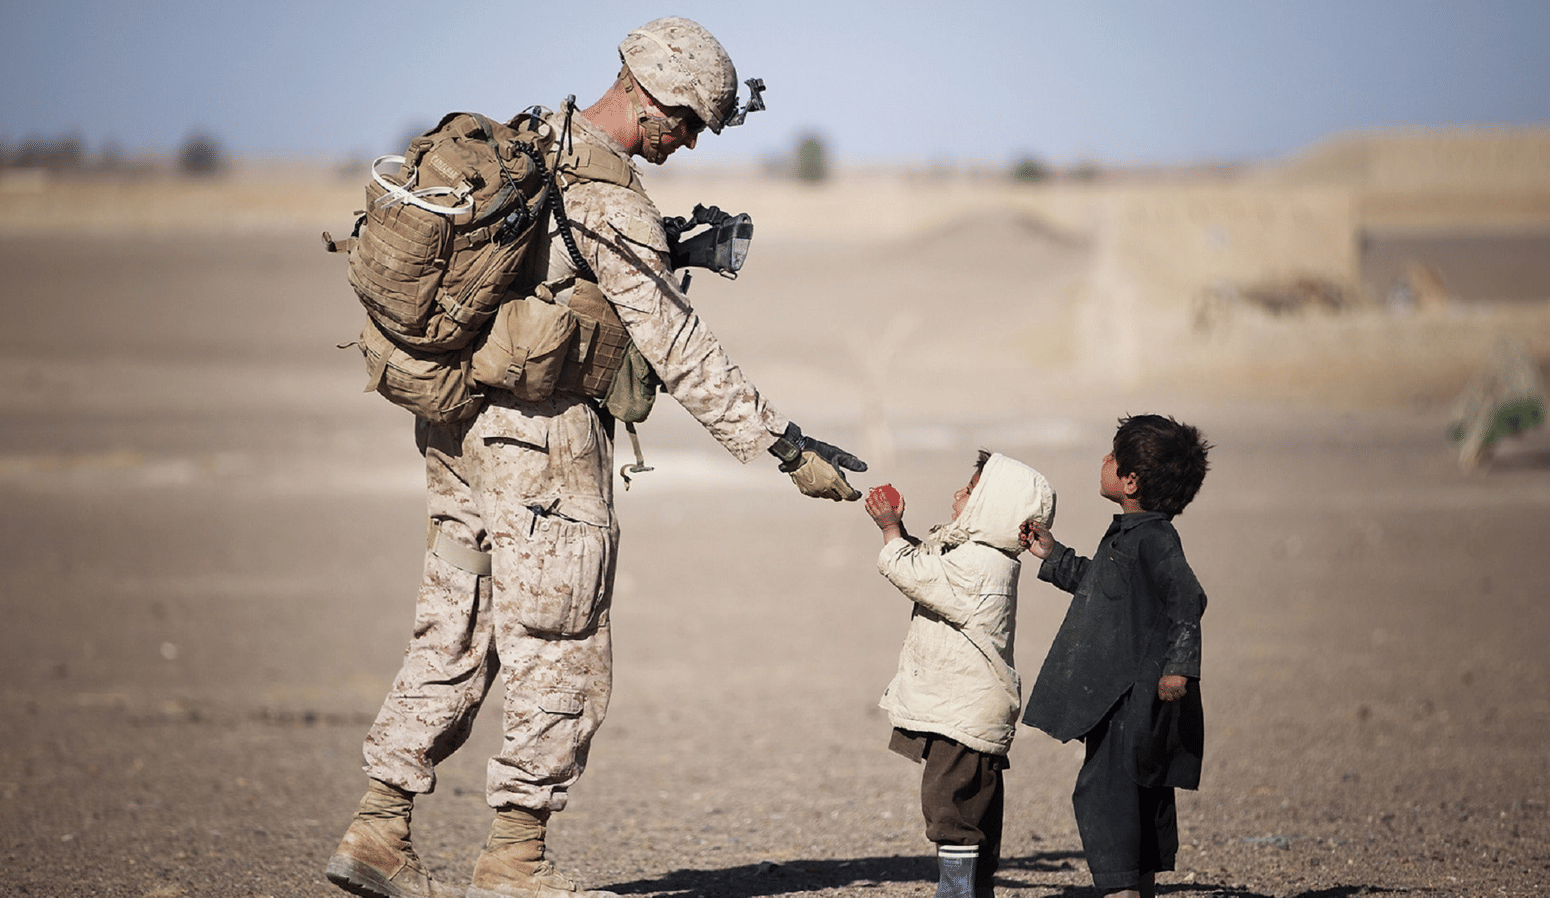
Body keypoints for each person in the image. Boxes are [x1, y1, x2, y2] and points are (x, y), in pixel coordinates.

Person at [325, 17, 867, 898]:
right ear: (648, 97)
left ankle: (378, 828)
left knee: (453, 627)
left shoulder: (535, 145)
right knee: (561, 644)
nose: (685, 145)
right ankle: (514, 865)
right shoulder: (608, 199)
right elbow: (678, 343)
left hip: (460, 432)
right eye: (687, 124)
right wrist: (781, 445)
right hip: (543, 446)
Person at [1019, 414, 1212, 898]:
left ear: (1130, 481)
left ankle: (1121, 890)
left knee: (1108, 796)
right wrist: (1054, 555)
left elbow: (1188, 598)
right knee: (1133, 794)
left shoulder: (1154, 539)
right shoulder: (1131, 534)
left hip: (1134, 698)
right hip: (1119, 697)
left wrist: (1179, 668)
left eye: (1112, 455)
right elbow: (1103, 589)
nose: (1103, 460)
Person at [863, 452, 1057, 898]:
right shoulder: (982, 557)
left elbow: (915, 573)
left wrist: (890, 531)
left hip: (963, 714)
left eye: (970, 491)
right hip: (969, 709)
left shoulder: (981, 565)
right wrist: (903, 532)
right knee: (975, 806)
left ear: (995, 507)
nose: (957, 495)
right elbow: (932, 565)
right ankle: (975, 890)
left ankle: (956, 893)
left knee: (950, 808)